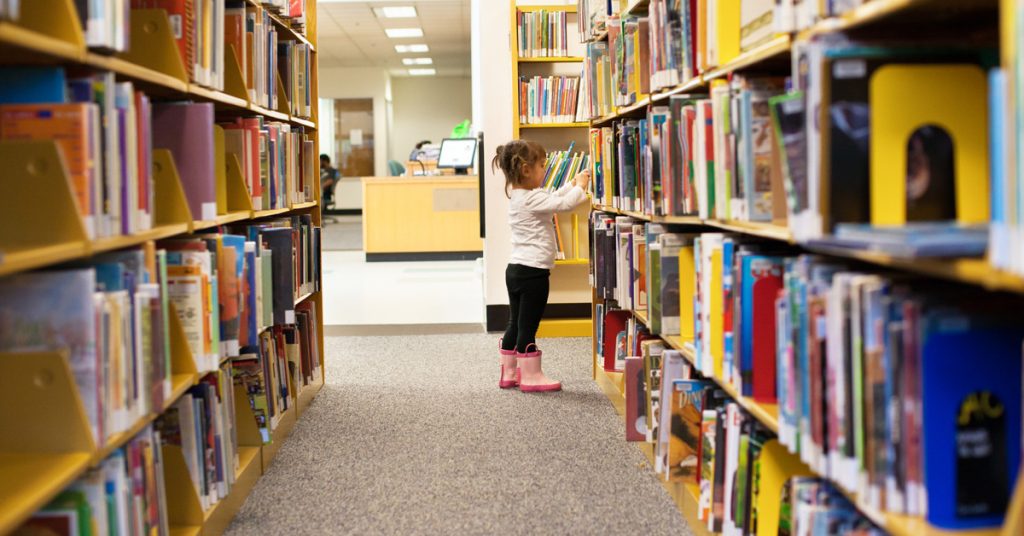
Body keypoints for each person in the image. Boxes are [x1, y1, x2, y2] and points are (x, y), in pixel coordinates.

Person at [491, 140, 590, 392]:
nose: (545, 170)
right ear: (526, 170)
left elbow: (553, 197)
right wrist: (580, 188)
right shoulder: (532, 198)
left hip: (516, 270)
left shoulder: (521, 196)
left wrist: (571, 184)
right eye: (542, 166)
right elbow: (564, 205)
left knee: (515, 323)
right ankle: (531, 377)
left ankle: (509, 373)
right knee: (528, 326)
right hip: (533, 273)